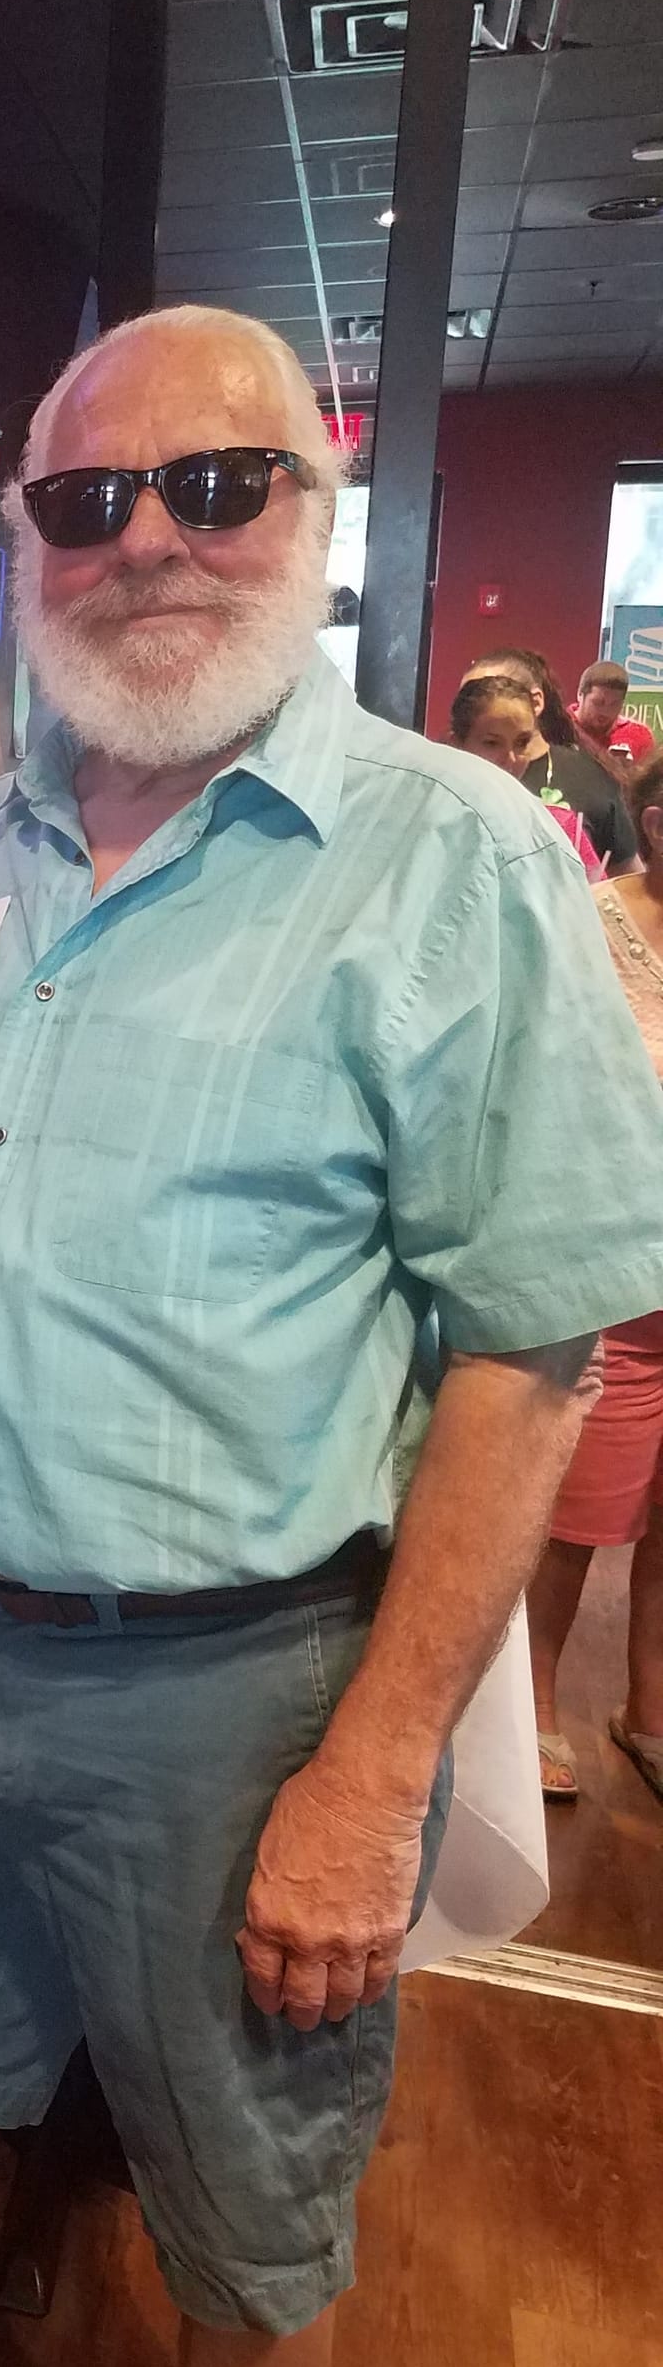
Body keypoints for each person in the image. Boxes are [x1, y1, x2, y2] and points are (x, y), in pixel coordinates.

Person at [0, 305, 663, 2367]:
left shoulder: (451, 859)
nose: (149, 544)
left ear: (310, 513)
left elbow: (529, 1346)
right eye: (85, 499)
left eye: (216, 487)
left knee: (247, 2173)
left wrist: (377, 1769)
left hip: (238, 1684)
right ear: (24, 538)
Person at [526, 746, 663, 1806]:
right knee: (577, 1508)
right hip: (620, 1257)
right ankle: (529, 1706)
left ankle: (647, 1709)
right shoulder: (592, 916)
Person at [462, 647, 637, 870]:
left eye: (494, 693)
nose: (478, 709)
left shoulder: (591, 779)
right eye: (468, 701)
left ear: (536, 702)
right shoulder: (446, 776)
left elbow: (626, 878)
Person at [449, 671, 602, 875]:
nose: (511, 758)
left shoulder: (557, 826)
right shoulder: (430, 819)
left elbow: (598, 899)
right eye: (492, 743)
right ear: (457, 745)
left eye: (522, 743)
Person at [574, 658, 655, 771]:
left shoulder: (639, 736)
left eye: (614, 704)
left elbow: (650, 785)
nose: (605, 711)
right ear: (580, 695)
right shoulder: (558, 726)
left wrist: (631, 773)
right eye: (598, 702)